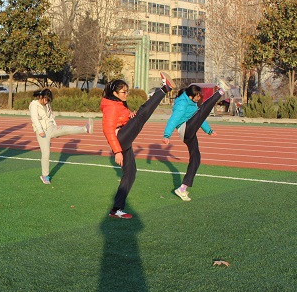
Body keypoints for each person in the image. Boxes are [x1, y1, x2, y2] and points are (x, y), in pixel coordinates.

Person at [100, 72, 175, 219]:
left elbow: (123, 118)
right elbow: (108, 131)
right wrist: (117, 152)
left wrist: (130, 116)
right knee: (142, 114)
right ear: (115, 93)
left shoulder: (118, 103)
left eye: (127, 91)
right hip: (120, 140)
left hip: (123, 138)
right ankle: (164, 88)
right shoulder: (110, 107)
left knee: (130, 173)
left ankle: (116, 210)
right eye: (123, 92)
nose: (126, 94)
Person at [162, 84, 224, 201]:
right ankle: (220, 92)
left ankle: (182, 188)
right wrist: (167, 135)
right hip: (185, 129)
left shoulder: (192, 102)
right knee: (202, 110)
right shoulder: (182, 104)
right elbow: (174, 119)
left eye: (200, 96)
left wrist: (208, 130)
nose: (199, 98)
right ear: (191, 96)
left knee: (196, 158)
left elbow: (199, 118)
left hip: (190, 131)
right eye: (197, 96)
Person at [29, 88, 93, 185]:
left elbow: (51, 117)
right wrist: (40, 130)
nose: (46, 102)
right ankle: (45, 175)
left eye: (48, 100)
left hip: (51, 128)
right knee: (46, 153)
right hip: (41, 131)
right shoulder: (33, 105)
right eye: (46, 99)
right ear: (41, 97)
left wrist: (55, 127)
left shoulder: (48, 104)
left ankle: (85, 129)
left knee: (64, 128)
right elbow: (34, 119)